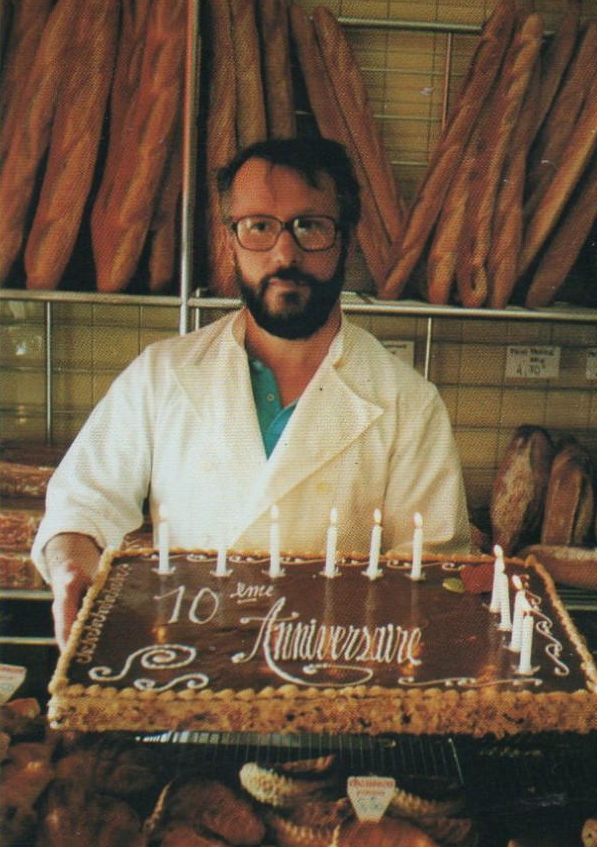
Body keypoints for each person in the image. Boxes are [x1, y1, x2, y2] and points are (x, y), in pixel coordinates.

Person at [32, 137, 472, 649]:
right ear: (231, 241)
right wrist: (69, 566)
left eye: (311, 226)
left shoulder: (409, 404)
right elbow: (82, 507)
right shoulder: (162, 375)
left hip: (339, 686)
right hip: (182, 669)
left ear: (347, 239)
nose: (285, 253)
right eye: (259, 226)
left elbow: (434, 565)